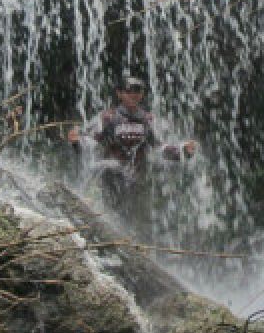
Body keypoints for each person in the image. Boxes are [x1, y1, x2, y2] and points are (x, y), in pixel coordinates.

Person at [67, 76, 197, 234]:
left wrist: (183, 151)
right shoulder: (107, 118)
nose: (133, 95)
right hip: (111, 175)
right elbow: (90, 143)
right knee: (110, 173)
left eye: (138, 91)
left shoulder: (148, 120)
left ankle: (123, 239)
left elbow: (160, 148)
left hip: (136, 179)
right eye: (129, 91)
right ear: (120, 94)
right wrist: (76, 142)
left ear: (142, 95)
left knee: (128, 219)